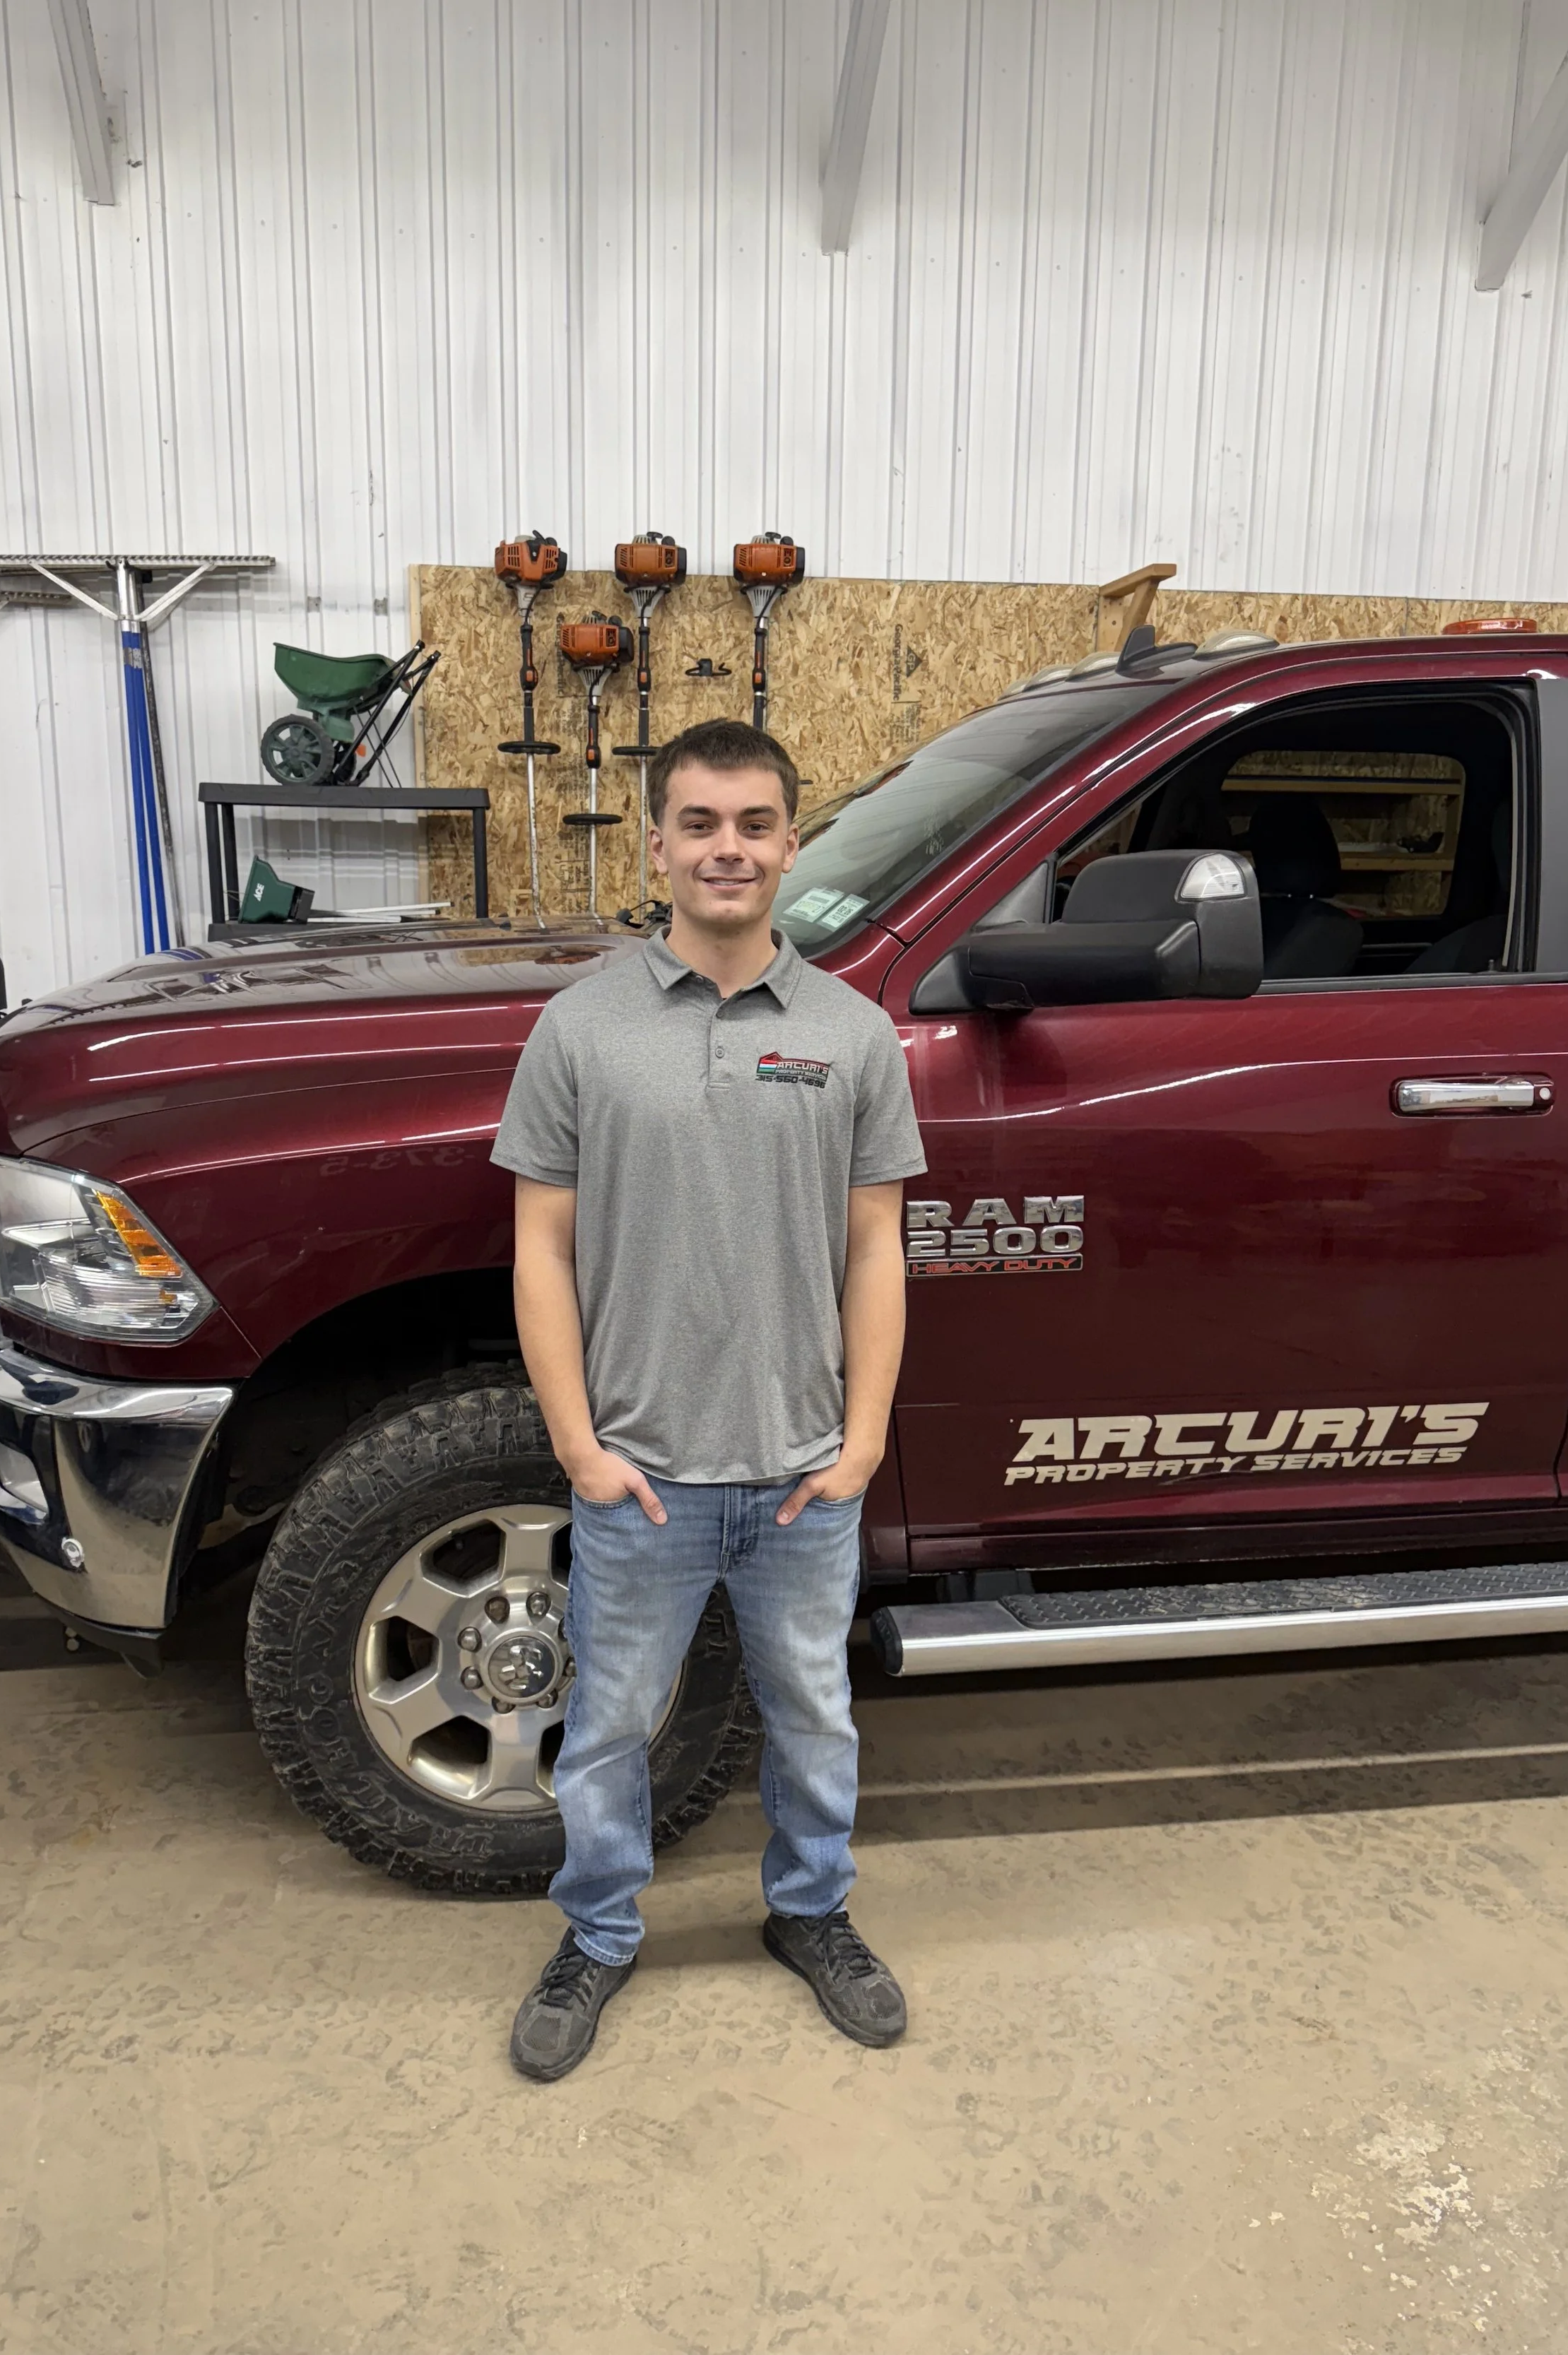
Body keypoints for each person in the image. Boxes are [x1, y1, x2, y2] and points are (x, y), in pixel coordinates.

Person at [491, 715, 926, 2082]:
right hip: (644, 1474)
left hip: (804, 1475)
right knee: (612, 1724)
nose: (726, 848)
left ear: (792, 845)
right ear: (661, 843)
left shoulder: (852, 1035)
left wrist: (861, 1443)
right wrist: (581, 1444)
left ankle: (813, 1914)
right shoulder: (581, 1028)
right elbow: (539, 1247)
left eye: (753, 825)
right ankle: (599, 1934)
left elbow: (876, 1247)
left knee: (814, 1718)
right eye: (699, 823)